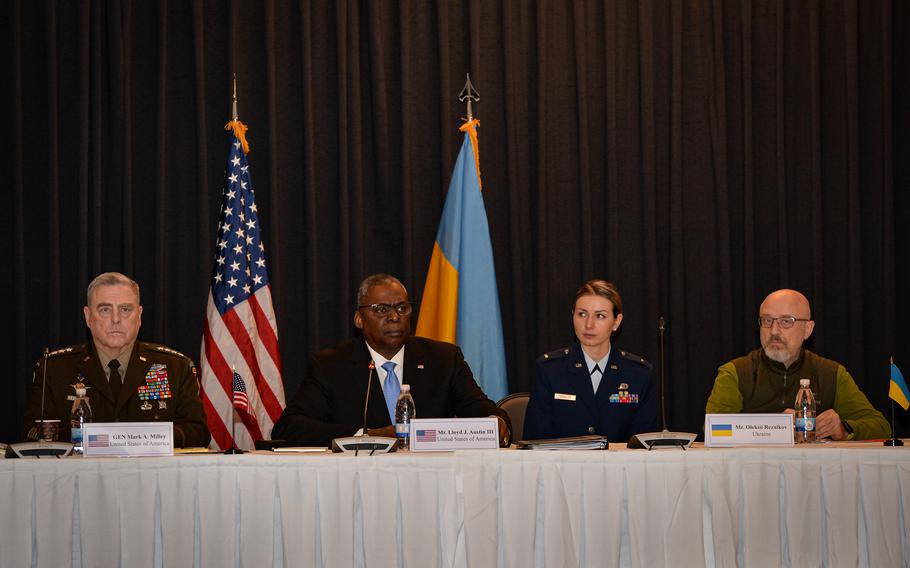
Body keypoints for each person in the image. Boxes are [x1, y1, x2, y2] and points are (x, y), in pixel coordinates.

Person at [272, 273, 511, 447]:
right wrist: (368, 435)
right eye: (380, 309)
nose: (394, 317)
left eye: (402, 308)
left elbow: (483, 410)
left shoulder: (444, 359)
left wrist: (496, 422)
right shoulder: (331, 365)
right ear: (359, 319)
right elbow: (290, 426)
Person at [21, 272, 210, 448]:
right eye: (104, 309)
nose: (116, 319)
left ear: (139, 316)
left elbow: (198, 432)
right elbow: (32, 432)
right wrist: (98, 441)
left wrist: (145, 439)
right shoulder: (54, 369)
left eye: (126, 309)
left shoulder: (175, 367)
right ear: (88, 317)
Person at [706, 289, 889, 440]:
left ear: (807, 329)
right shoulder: (735, 372)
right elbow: (714, 429)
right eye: (767, 321)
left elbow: (881, 427)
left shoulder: (831, 373)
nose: (774, 331)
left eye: (786, 321)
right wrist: (776, 427)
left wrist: (843, 428)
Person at [523, 280, 658, 442]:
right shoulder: (549, 370)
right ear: (572, 315)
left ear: (616, 321)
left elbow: (644, 447)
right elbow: (535, 442)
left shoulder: (639, 374)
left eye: (600, 316)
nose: (588, 324)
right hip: (562, 466)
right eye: (582, 314)